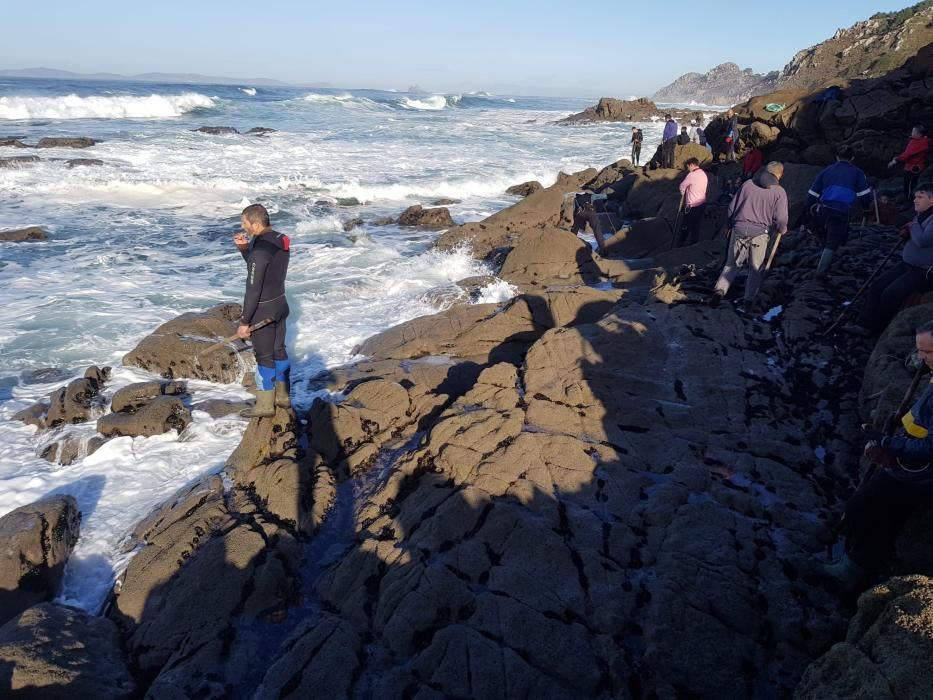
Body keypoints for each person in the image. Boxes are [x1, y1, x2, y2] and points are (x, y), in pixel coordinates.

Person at [824, 320, 933, 587]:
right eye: (919, 350)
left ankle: (852, 570)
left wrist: (886, 442)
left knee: (863, 507)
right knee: (884, 513)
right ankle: (853, 564)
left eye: (927, 352)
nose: (921, 358)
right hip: (912, 460)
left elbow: (929, 448)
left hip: (920, 472)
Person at [233, 203, 292, 418]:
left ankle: (265, 406)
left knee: (264, 357)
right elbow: (264, 269)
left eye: (245, 223)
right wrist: (245, 250)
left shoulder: (260, 250)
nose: (243, 227)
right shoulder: (278, 239)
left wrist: (244, 322)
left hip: (263, 311)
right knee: (279, 350)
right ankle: (283, 397)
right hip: (280, 305)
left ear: (256, 224)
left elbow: (253, 287)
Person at [852, 185, 933, 335]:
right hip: (907, 264)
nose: (915, 200)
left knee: (891, 294)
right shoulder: (922, 214)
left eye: (920, 197)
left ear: (932, 199)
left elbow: (923, 240)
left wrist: (912, 226)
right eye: (915, 197)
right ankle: (864, 324)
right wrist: (909, 231)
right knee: (876, 286)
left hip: (924, 271)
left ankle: (879, 329)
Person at [708, 161, 788, 307]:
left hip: (739, 228)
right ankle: (749, 299)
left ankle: (719, 290)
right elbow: (781, 218)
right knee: (755, 267)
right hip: (760, 233)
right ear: (780, 175)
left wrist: (728, 225)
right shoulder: (779, 192)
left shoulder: (748, 184)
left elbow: (732, 207)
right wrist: (782, 228)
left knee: (732, 264)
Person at [806, 146, 873, 278]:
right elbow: (864, 195)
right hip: (841, 210)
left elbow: (812, 194)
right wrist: (866, 209)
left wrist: (807, 212)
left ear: (837, 157)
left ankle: (818, 260)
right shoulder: (858, 173)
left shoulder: (827, 170)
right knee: (832, 242)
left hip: (823, 209)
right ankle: (821, 272)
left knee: (824, 237)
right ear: (852, 158)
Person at [889, 125, 930, 203]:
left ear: (919, 134)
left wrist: (896, 160)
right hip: (913, 166)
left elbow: (907, 154)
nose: (912, 133)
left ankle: (909, 201)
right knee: (912, 183)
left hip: (913, 167)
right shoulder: (922, 140)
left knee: (909, 184)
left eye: (914, 131)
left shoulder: (919, 143)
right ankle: (911, 199)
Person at [677, 158, 708, 246]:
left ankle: (680, 244)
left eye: (688, 167)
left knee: (685, 226)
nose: (688, 169)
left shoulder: (692, 175)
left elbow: (682, 186)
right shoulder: (703, 174)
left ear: (692, 165)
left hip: (692, 205)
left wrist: (683, 191)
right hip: (702, 203)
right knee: (696, 226)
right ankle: (694, 244)